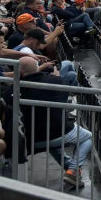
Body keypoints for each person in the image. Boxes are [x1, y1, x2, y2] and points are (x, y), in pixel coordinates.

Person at [16, 55, 92, 190]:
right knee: (87, 137)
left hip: (27, 138)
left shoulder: (13, 89)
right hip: (55, 133)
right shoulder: (56, 82)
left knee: (53, 142)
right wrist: (56, 77)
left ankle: (70, 169)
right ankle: (73, 170)